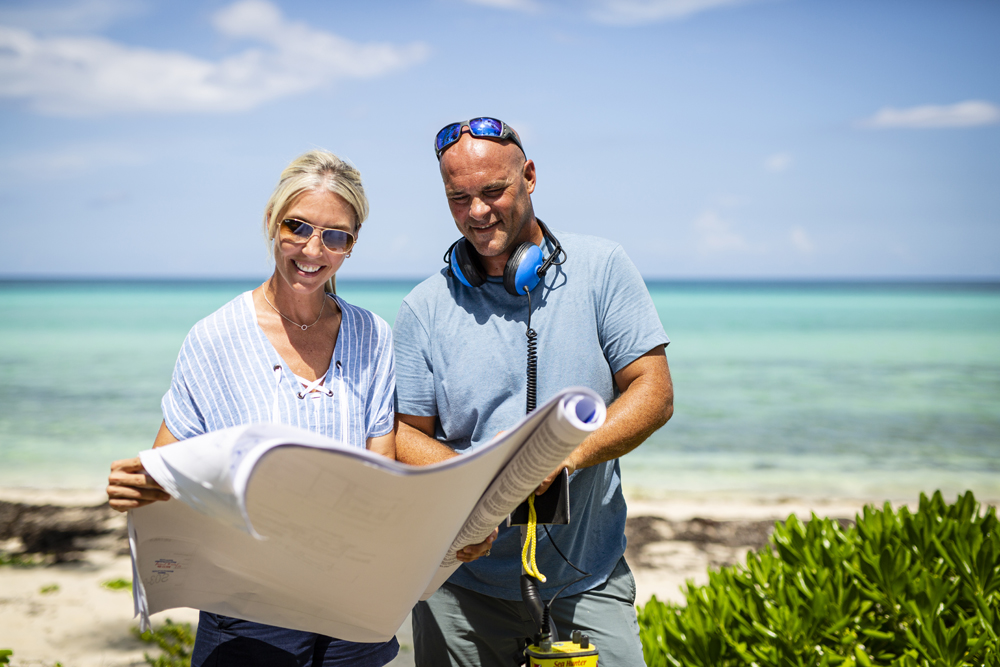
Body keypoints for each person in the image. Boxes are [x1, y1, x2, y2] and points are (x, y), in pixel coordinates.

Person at [393, 117, 674, 666]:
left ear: (530, 177)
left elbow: (654, 392)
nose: (477, 212)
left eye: (493, 191)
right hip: (459, 585)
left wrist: (566, 458)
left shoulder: (603, 268)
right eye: (459, 198)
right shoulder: (422, 308)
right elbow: (403, 433)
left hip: (586, 577)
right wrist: (474, 481)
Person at [106, 149, 403, 667]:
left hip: (354, 608)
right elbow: (166, 471)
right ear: (271, 221)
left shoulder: (373, 336)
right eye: (298, 227)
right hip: (248, 611)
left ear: (352, 245)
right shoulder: (214, 338)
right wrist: (138, 486)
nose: (315, 249)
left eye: (337, 236)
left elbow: (384, 474)